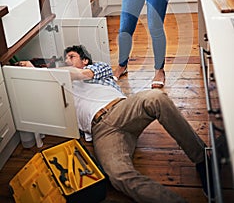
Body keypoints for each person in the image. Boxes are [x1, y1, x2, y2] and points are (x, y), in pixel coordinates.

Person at [19, 44, 210, 203]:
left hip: (121, 110)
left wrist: (42, 69)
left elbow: (79, 74)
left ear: (85, 60)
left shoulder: (97, 69)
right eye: (65, 58)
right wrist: (32, 72)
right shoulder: (61, 86)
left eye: (71, 56)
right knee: (118, 177)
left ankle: (202, 158)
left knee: (155, 97)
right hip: (101, 131)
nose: (67, 60)